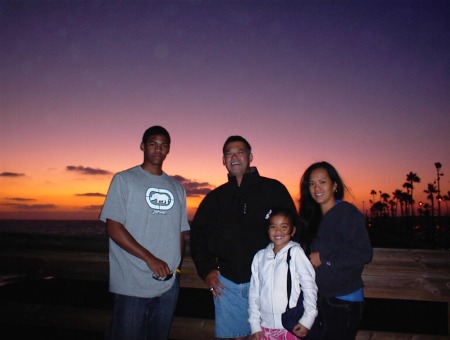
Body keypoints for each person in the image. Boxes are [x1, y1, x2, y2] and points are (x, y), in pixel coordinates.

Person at [190, 135, 298, 340]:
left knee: (264, 337)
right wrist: (206, 270)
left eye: (240, 152)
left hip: (267, 283)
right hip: (228, 285)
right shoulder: (215, 198)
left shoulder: (273, 189)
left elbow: (295, 230)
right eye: (229, 153)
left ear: (250, 156)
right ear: (223, 160)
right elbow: (197, 236)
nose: (234, 157)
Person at [100, 125, 190, 340]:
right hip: (132, 283)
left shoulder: (177, 187)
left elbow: (180, 232)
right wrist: (150, 258)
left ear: (168, 150)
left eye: (163, 145)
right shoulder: (124, 179)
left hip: (168, 284)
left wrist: (176, 271)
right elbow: (113, 227)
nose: (158, 149)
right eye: (153, 143)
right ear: (142, 146)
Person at [298, 161, 373, 339]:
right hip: (318, 299)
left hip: (344, 300)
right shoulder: (311, 218)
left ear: (334, 185)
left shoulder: (346, 213)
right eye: (311, 183)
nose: (317, 188)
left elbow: (363, 252)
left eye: (322, 182)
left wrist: (324, 258)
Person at [248, 207, 318, 340]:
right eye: (273, 227)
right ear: (268, 229)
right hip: (265, 327)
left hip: (290, 325)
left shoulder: (296, 253)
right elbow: (254, 292)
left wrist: (307, 319)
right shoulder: (260, 257)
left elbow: (310, 286)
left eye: (284, 227)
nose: (278, 231)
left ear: (293, 230)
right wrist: (255, 325)